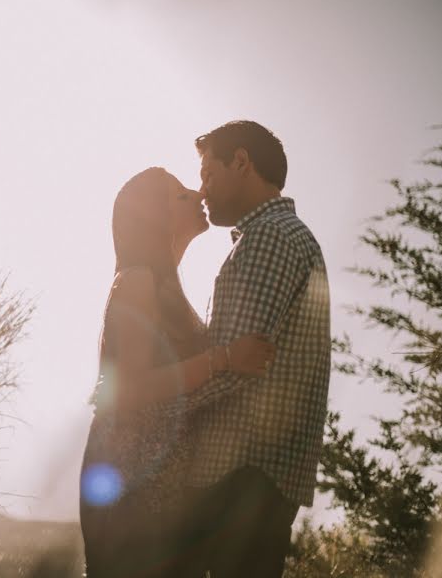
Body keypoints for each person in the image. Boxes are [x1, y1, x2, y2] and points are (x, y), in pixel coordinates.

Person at [78, 166, 276, 578]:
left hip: (160, 486)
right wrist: (223, 359)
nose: (198, 191)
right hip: (129, 486)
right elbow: (129, 390)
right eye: (181, 193)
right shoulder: (136, 281)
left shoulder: (168, 288)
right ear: (155, 216)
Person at [171, 120, 332, 577]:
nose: (202, 191)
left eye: (207, 174)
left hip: (238, 476)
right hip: (257, 479)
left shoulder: (268, 238)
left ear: (241, 162)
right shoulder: (284, 235)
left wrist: (149, 406)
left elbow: (234, 367)